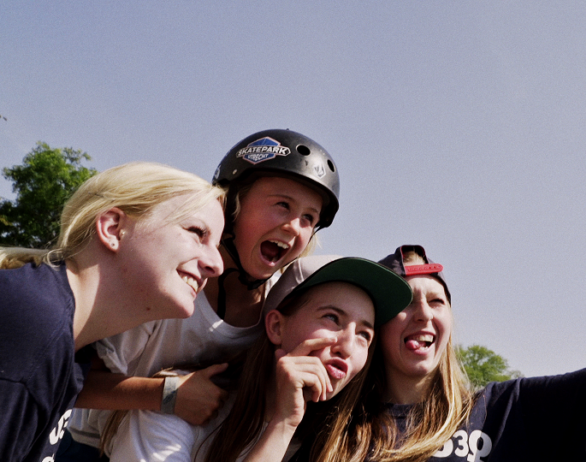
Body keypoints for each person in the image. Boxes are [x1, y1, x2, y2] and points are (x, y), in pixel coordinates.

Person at [301, 139, 586, 461]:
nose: (423, 314)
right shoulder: (326, 425)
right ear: (374, 327)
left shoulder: (507, 412)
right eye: (404, 302)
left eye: (437, 301)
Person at [58, 129, 342, 461]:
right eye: (282, 205)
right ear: (231, 205)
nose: (295, 226)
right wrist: (168, 395)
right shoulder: (171, 285)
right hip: (91, 447)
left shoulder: (280, 307)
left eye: (309, 218)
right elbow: (71, 384)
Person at [0, 162, 226, 462]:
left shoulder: (68, 344)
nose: (217, 265)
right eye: (197, 232)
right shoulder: (28, 322)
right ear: (112, 228)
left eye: (218, 245)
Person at [102, 254, 412, 462]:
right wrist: (282, 424)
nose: (347, 344)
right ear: (276, 326)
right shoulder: (180, 405)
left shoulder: (349, 444)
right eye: (332, 318)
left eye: (364, 335)